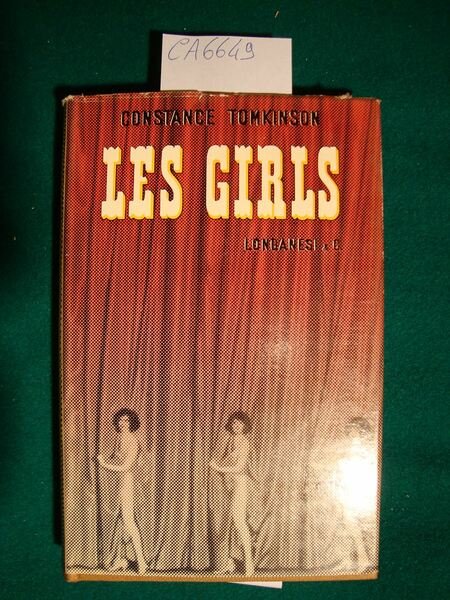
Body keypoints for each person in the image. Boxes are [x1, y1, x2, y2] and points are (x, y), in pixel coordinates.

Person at [97, 408, 148, 575]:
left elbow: (125, 467)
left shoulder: (133, 441)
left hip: (126, 484)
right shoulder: (119, 437)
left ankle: (142, 562)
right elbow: (114, 456)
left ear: (131, 422)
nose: (122, 423)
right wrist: (105, 459)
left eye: (126, 420)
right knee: (117, 522)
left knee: (128, 521)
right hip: (115, 484)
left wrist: (104, 464)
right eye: (120, 420)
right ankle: (120, 560)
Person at [209, 411, 254, 576]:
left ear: (245, 425)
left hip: (239, 484)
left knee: (239, 521)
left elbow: (239, 467)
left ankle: (249, 563)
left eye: (240, 423)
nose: (237, 426)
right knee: (226, 523)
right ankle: (228, 563)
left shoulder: (245, 442)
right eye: (234, 423)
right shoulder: (230, 440)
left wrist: (218, 467)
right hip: (228, 485)